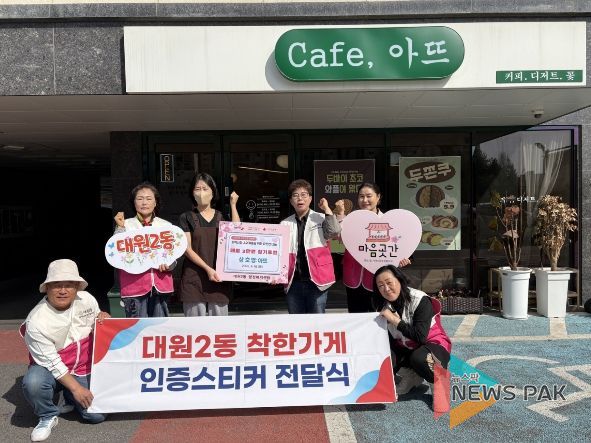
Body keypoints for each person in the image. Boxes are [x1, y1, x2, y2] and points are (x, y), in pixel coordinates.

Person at [21, 259, 110, 442]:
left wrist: (103, 318)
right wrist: (77, 388)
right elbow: (52, 362)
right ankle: (47, 415)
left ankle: (67, 395)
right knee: (34, 382)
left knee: (97, 416)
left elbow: (98, 323)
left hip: (82, 366)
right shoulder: (36, 321)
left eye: (69, 285)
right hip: (49, 367)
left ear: (77, 287)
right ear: (47, 288)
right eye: (56, 285)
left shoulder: (87, 299)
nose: (63, 290)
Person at [373, 265, 451, 396]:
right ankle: (410, 376)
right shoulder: (380, 304)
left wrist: (394, 320)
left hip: (432, 345)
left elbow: (420, 337)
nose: (386, 288)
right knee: (380, 353)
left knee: (420, 358)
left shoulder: (420, 299)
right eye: (380, 286)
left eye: (389, 282)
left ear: (399, 280)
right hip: (405, 346)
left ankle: (438, 383)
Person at [335, 182, 411, 313]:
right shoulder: (352, 219)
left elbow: (399, 245)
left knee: (379, 315)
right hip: (353, 275)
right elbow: (340, 237)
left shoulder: (389, 221)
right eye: (361, 196)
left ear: (378, 197)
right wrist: (341, 214)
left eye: (369, 196)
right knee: (355, 316)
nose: (365, 200)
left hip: (379, 279)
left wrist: (403, 259)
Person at [179, 172, 239, 316]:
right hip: (194, 277)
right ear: (192, 193)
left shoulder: (221, 216)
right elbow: (187, 249)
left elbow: (237, 234)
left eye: (205, 189)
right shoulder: (186, 217)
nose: (201, 193)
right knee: (194, 324)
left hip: (218, 277)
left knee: (219, 325)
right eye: (197, 189)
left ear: (213, 192)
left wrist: (233, 205)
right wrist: (207, 269)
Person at [114, 182, 174, 317]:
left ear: (155, 202)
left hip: (160, 285)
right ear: (134, 202)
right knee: (138, 327)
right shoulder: (125, 225)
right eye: (140, 198)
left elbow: (174, 255)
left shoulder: (165, 225)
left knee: (160, 327)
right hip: (133, 286)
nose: (144, 202)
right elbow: (117, 253)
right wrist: (120, 228)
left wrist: (169, 265)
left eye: (148, 198)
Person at [281, 179, 341, 314]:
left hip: (317, 281)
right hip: (293, 282)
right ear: (291, 201)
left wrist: (327, 209)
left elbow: (335, 232)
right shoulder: (285, 224)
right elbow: (279, 253)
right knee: (296, 321)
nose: (300, 198)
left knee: (317, 321)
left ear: (310, 198)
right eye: (295, 195)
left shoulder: (321, 218)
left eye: (304, 195)